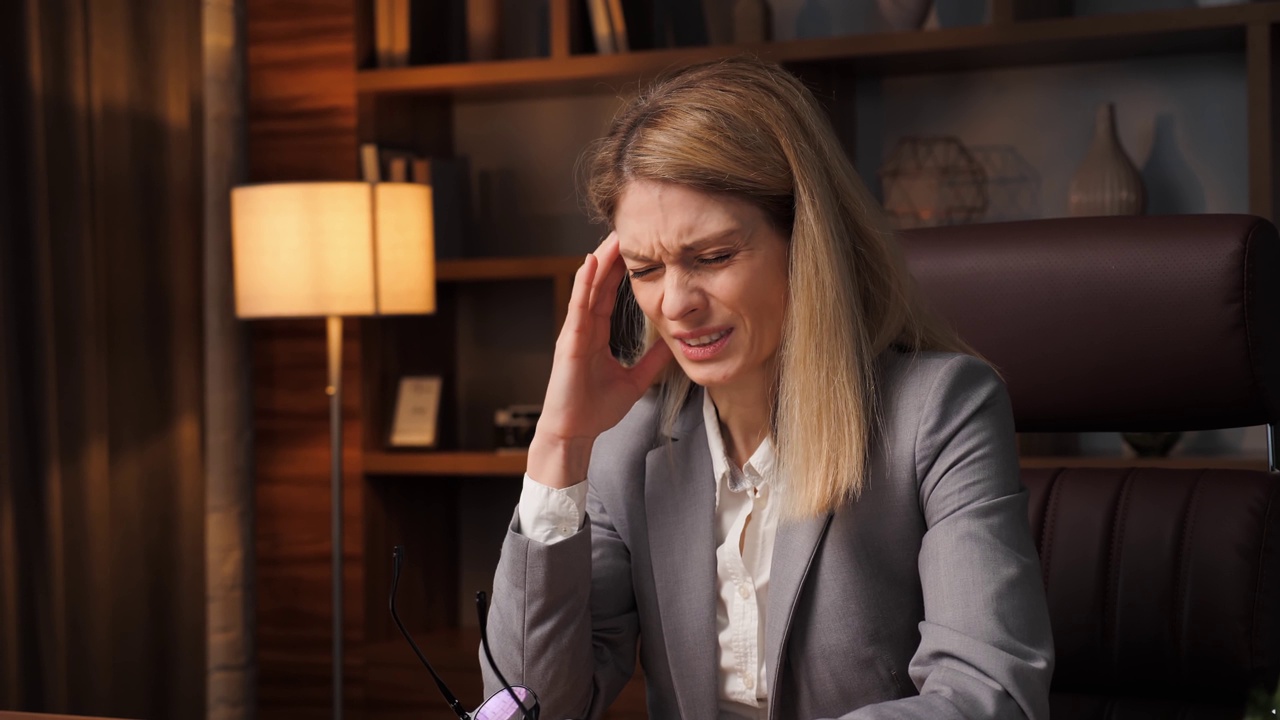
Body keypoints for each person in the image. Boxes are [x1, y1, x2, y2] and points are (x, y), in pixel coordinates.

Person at [480, 56, 1054, 720]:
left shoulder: (938, 411)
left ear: (806, 243)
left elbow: (989, 694)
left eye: (715, 257)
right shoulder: (625, 447)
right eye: (645, 268)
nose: (675, 303)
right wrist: (560, 444)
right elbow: (531, 707)